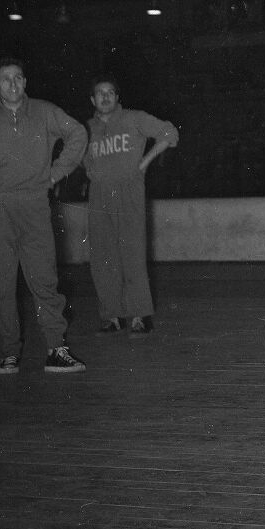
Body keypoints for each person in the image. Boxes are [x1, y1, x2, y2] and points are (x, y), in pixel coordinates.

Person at [0, 57, 88, 374]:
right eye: (5, 79)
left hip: (35, 203)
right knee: (1, 281)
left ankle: (56, 348)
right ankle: (10, 350)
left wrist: (55, 173)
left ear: (25, 82)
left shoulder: (44, 112)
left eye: (18, 78)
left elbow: (77, 133)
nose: (13, 84)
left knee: (44, 278)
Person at [83, 74, 179, 337]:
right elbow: (78, 156)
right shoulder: (86, 129)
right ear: (93, 99)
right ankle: (111, 316)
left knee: (132, 253)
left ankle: (138, 316)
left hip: (129, 192)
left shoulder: (133, 119)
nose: (105, 97)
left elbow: (170, 133)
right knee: (103, 257)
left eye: (110, 92)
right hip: (99, 195)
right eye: (100, 93)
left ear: (117, 97)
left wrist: (144, 163)